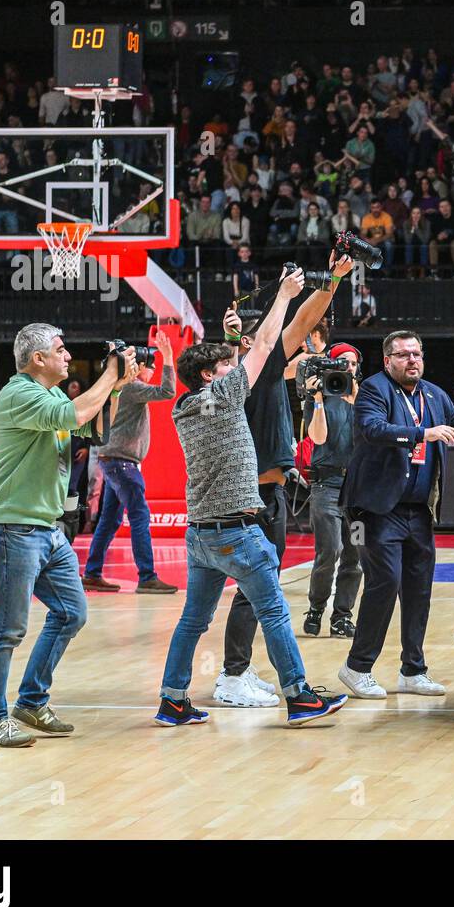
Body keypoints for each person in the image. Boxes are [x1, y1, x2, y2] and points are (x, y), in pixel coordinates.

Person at [159, 264, 348, 728]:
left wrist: (235, 337)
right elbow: (264, 346)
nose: (234, 367)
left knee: (191, 623)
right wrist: (283, 294)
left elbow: (256, 350)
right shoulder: (224, 395)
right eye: (225, 364)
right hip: (237, 531)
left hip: (200, 535)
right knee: (276, 612)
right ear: (210, 375)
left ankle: (173, 701)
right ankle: (300, 696)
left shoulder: (184, 407)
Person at [0, 325, 139, 747]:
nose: (68, 357)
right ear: (37, 359)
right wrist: (109, 374)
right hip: (13, 527)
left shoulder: (49, 395)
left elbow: (95, 428)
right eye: (61, 350)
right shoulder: (19, 394)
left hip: (46, 528)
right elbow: (75, 416)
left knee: (71, 613)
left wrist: (117, 385)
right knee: (7, 628)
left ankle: (30, 701)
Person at [214, 253, 355, 708]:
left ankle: (237, 670)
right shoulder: (253, 369)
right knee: (255, 589)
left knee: (256, 589)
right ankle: (234, 675)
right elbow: (302, 318)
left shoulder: (267, 369)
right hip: (251, 495)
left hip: (268, 489)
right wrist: (330, 279)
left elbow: (302, 326)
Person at [337, 331, 454, 698]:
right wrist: (424, 433)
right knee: (384, 581)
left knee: (418, 588)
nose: (412, 360)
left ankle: (413, 670)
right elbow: (373, 430)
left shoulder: (434, 394)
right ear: (387, 358)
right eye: (403, 354)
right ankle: (356, 667)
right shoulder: (374, 390)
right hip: (373, 508)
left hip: (418, 510)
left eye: (417, 354)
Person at [79, 331, 180, 595]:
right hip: (122, 464)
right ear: (140, 367)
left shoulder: (125, 388)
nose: (154, 372)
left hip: (112, 461)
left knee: (109, 521)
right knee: (139, 516)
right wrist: (169, 357)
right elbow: (168, 391)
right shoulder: (133, 387)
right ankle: (147, 576)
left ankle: (92, 573)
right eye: (153, 367)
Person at [302, 343, 364, 638]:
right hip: (327, 485)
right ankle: (316, 608)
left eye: (352, 363)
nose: (348, 368)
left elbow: (373, 437)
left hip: (359, 489)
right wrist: (316, 399)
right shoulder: (321, 395)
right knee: (330, 550)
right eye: (342, 362)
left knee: (355, 554)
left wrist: (356, 402)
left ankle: (342, 616)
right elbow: (318, 436)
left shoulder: (367, 399)